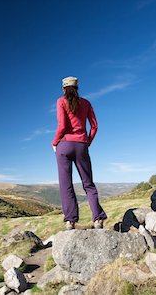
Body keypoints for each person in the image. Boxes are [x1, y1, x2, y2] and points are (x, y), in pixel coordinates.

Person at [52, 76, 107, 230]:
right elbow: (95, 126)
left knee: (66, 185)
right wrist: (87, 142)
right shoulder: (86, 103)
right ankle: (97, 219)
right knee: (88, 183)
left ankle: (70, 221)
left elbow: (62, 125)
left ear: (63, 89)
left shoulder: (60, 102)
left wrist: (54, 142)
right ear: (77, 88)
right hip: (81, 145)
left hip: (64, 146)